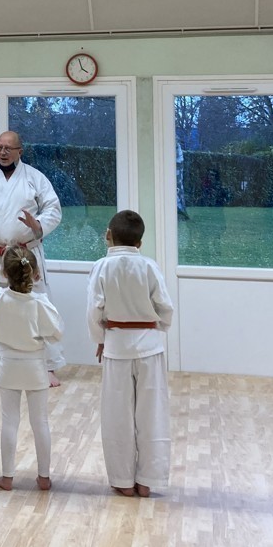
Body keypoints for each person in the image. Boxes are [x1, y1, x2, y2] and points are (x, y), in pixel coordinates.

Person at [0, 130, 64, 384]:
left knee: (39, 304)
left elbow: (53, 207)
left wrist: (38, 223)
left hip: (26, 253)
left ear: (21, 150)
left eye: (9, 148)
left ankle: (48, 365)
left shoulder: (35, 178)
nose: (3, 152)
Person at [85, 209, 174, 498]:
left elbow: (93, 311)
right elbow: (166, 309)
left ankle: (123, 480)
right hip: (149, 346)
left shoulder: (101, 267)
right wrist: (153, 328)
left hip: (117, 345)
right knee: (152, 414)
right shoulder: (149, 266)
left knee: (117, 416)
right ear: (140, 242)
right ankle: (148, 479)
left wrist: (100, 338)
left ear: (108, 235)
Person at [0, 245, 63, 491]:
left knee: (9, 422)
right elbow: (57, 334)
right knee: (41, 422)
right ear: (36, 274)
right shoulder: (40, 303)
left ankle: (7, 476)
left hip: (8, 366)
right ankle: (44, 476)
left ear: (4, 273)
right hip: (36, 367)